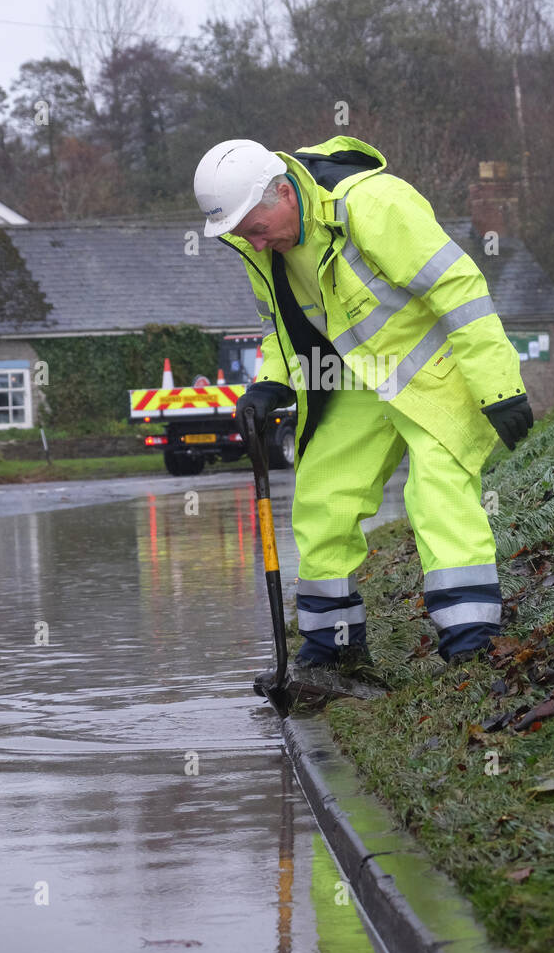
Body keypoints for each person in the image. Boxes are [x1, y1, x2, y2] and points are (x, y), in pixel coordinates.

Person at [193, 135, 533, 671]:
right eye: (241, 236)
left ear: (283, 193)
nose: (253, 245)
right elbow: (280, 326)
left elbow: (458, 288)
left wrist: (500, 387)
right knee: (323, 497)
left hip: (439, 374)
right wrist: (269, 384)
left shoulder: (372, 203)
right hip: (357, 376)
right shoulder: (260, 245)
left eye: (256, 231)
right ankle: (334, 650)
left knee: (438, 496)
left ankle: (472, 645)